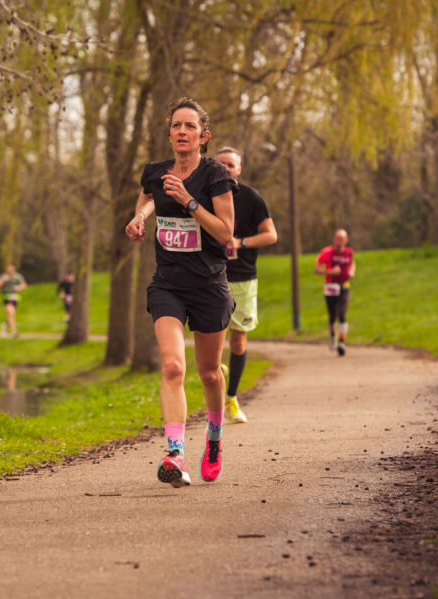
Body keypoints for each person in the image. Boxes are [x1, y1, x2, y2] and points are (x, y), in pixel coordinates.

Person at [124, 97, 235, 487]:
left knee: (208, 373)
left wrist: (189, 202)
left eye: (190, 126)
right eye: (176, 126)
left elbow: (225, 233)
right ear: (169, 134)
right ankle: (175, 454)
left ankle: (215, 439)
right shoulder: (155, 172)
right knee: (173, 366)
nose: (182, 131)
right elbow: (150, 195)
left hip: (208, 285)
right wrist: (139, 218)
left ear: (203, 136)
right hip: (168, 284)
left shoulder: (215, 175)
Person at [216, 147, 278, 424]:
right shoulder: (204, 196)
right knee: (212, 338)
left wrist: (241, 243)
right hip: (210, 274)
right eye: (221, 165)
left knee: (238, 338)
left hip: (242, 276)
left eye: (231, 165)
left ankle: (231, 399)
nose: (226, 169)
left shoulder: (251, 198)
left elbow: (271, 236)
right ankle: (216, 378)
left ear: (239, 169)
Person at [314, 229, 356, 357]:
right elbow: (316, 269)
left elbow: (353, 264)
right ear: (334, 239)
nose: (339, 241)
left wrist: (352, 272)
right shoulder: (327, 252)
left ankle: (342, 342)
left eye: (342, 239)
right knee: (332, 315)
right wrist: (330, 272)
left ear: (346, 240)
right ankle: (333, 337)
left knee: (342, 313)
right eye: (337, 238)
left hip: (344, 286)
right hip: (330, 286)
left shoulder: (349, 253)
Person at [0, 264, 27, 338]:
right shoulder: (3, 276)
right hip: (6, 297)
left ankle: (4, 326)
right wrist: (4, 280)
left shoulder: (17, 276)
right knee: (11, 312)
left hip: (15, 298)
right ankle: (14, 331)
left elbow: (24, 285)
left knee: (11, 314)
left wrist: (18, 287)